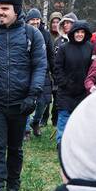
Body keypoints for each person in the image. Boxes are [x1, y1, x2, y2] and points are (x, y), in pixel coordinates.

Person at [0, 0, 47, 191]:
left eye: (5, 9)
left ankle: (13, 187)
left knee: (15, 148)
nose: (0, 13)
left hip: (21, 102)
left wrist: (33, 95)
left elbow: (40, 66)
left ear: (17, 10)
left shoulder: (32, 36)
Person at [52, 20, 93, 143]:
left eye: (82, 32)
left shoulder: (90, 47)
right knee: (64, 119)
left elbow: (93, 68)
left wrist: (89, 84)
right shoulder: (64, 48)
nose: (79, 34)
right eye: (77, 32)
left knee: (80, 120)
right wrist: (64, 83)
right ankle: (61, 144)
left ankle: (77, 144)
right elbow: (57, 67)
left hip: (83, 92)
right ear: (72, 33)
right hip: (66, 92)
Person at [25, 7, 54, 137]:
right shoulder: (23, 33)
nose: (35, 22)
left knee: (43, 101)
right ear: (27, 21)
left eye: (37, 19)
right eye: (32, 19)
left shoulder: (46, 34)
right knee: (25, 101)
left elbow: (51, 54)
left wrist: (54, 71)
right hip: (27, 71)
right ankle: (25, 130)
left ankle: (35, 121)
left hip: (43, 71)